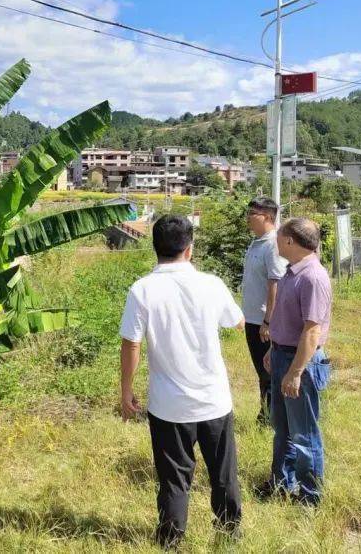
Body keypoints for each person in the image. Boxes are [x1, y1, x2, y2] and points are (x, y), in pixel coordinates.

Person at [119, 215, 245, 547]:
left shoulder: (142, 289)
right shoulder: (212, 284)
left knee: (174, 479)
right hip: (213, 399)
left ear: (154, 247)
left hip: (168, 405)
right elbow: (237, 321)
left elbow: (131, 343)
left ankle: (171, 540)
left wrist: (127, 392)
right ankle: (229, 537)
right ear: (189, 249)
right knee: (223, 474)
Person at [260, 217, 332, 506]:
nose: (276, 241)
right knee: (284, 429)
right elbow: (286, 318)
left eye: (279, 236)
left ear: (290, 241)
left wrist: (295, 371)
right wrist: (273, 348)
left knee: (304, 433)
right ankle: (281, 483)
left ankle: (309, 497)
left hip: (299, 361)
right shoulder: (292, 272)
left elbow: (312, 331)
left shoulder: (313, 277)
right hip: (282, 354)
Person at [240, 197, 287, 424]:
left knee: (268, 371)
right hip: (252, 318)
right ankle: (267, 414)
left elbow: (275, 283)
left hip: (263, 322)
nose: (249, 217)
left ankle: (269, 418)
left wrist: (269, 321)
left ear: (267, 217)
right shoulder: (256, 242)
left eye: (253, 213)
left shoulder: (272, 245)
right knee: (262, 371)